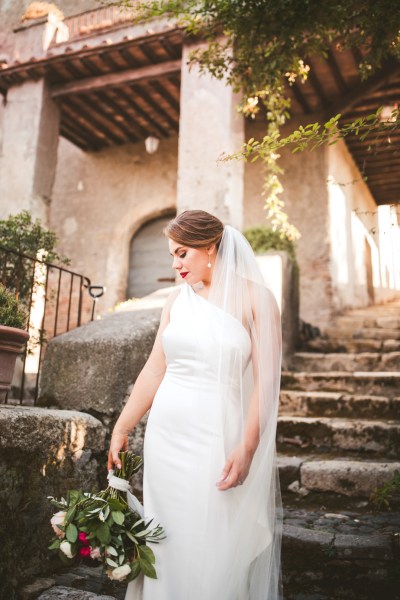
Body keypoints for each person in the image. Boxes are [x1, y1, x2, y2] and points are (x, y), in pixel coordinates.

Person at [108, 210, 283, 600]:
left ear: (211, 248)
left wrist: (248, 446)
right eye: (172, 255)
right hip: (166, 436)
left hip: (217, 433)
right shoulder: (176, 300)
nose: (175, 264)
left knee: (210, 535)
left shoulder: (258, 299)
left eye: (182, 253)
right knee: (164, 534)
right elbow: (155, 369)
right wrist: (122, 427)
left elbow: (267, 383)